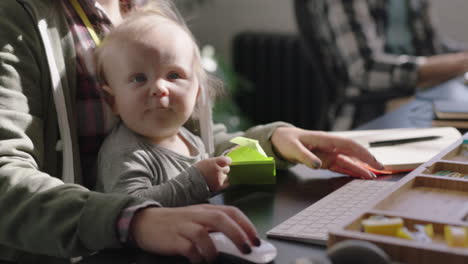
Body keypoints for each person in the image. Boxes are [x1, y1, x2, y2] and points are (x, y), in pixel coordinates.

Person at [0, 0, 383, 263]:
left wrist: (273, 143)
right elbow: (6, 178)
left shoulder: (151, 9)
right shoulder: (15, 19)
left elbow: (190, 144)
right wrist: (134, 217)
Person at [94, 8, 233, 206]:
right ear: (112, 101)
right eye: (139, 78)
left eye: (174, 75)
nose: (159, 88)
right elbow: (127, 208)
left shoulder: (191, 139)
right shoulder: (125, 153)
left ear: (197, 92)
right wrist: (199, 180)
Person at [306, 0, 468, 124]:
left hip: (422, 100)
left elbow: (435, 49)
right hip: (367, 112)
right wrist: (454, 64)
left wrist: (461, 57)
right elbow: (365, 70)